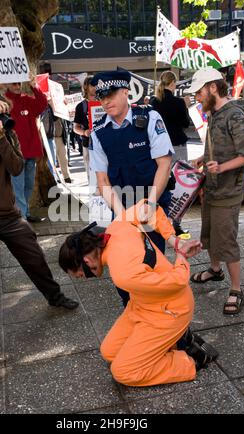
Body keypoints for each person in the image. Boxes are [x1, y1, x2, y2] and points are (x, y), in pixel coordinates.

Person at [0, 90, 79, 343]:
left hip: (9, 216)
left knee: (35, 259)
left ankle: (55, 297)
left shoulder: (8, 134)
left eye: (3, 112)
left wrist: (1, 138)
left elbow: (17, 167)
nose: (1, 117)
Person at [58, 200, 218, 387]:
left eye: (76, 274)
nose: (80, 278)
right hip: (142, 306)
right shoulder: (116, 226)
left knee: (124, 372)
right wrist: (173, 239)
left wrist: (181, 255)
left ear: (86, 260)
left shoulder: (123, 273)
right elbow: (152, 207)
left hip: (171, 310)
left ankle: (191, 360)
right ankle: (178, 340)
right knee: (109, 352)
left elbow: (178, 281)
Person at [89, 70, 174, 306]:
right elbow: (103, 182)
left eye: (111, 94)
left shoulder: (149, 118)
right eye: (100, 96)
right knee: (125, 269)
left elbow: (164, 164)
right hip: (122, 209)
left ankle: (162, 313)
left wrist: (151, 203)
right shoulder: (98, 133)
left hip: (152, 206)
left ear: (126, 91)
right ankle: (133, 310)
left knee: (153, 263)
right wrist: (123, 216)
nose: (105, 101)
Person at [188, 68, 244, 315]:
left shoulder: (234, 115)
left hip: (228, 191)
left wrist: (222, 166)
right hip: (212, 187)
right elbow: (218, 146)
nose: (197, 97)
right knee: (210, 233)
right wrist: (203, 159)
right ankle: (215, 270)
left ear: (213, 88)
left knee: (226, 239)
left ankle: (236, 289)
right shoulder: (214, 113)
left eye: (200, 92)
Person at [151, 71, 191, 237]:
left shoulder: (155, 102)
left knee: (164, 184)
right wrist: (186, 108)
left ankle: (162, 222)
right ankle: (176, 225)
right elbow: (185, 123)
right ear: (173, 83)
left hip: (160, 148)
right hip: (178, 146)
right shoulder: (178, 102)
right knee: (181, 186)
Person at [5, 76, 48, 223]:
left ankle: (25, 213)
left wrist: (33, 86)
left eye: (18, 82)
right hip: (15, 153)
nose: (17, 85)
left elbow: (42, 104)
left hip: (30, 151)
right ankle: (21, 217)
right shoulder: (4, 103)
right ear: (7, 84)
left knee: (28, 185)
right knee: (18, 187)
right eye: (14, 83)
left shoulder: (26, 100)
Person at [73, 76, 96, 179]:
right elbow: (75, 128)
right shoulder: (81, 106)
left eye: (96, 85)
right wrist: (84, 132)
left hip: (105, 144)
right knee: (91, 176)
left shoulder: (104, 102)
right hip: (88, 144)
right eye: (92, 85)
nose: (95, 87)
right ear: (86, 87)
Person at [53, 116, 72, 183]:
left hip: (61, 138)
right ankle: (55, 177)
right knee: (52, 160)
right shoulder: (47, 110)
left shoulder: (61, 112)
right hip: (51, 138)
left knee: (64, 159)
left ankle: (66, 176)